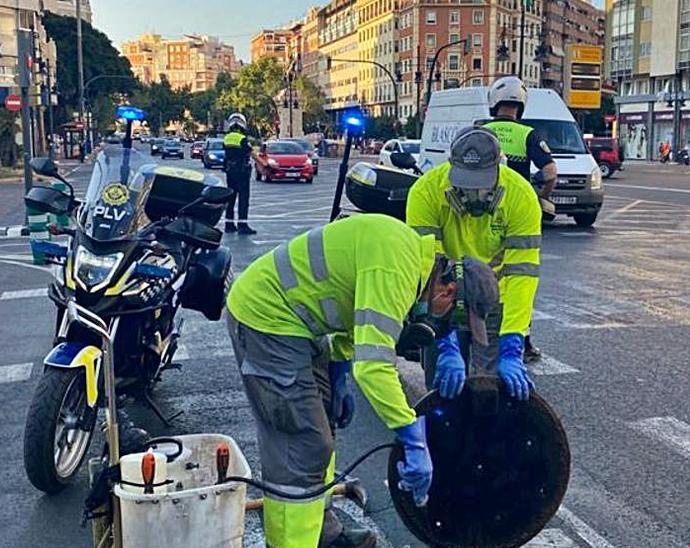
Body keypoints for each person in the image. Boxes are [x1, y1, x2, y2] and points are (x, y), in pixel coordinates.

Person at [226, 213, 500, 548]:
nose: (445, 322)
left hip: (299, 323)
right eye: (454, 315)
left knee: (323, 424)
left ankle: (323, 534)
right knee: (302, 444)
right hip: (267, 318)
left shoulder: (409, 260)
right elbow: (373, 367)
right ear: (448, 288)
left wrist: (339, 370)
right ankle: (288, 543)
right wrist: (411, 436)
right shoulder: (397, 269)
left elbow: (350, 311)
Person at [407, 126, 542, 402]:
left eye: (481, 185)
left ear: (498, 171)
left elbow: (522, 274)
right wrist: (443, 340)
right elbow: (426, 271)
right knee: (443, 389)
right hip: (445, 296)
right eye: (465, 185)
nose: (473, 195)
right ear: (450, 168)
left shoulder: (521, 196)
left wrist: (513, 342)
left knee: (490, 390)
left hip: (493, 299)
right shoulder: (425, 192)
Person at [480, 76, 554, 364]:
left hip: (479, 212)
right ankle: (522, 341)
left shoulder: (479, 130)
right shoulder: (528, 134)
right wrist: (541, 199)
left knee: (475, 272)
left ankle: (473, 332)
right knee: (518, 279)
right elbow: (550, 171)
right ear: (520, 105)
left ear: (494, 103)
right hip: (516, 214)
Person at [223, 113, 260, 235]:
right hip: (242, 172)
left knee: (231, 198)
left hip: (230, 172)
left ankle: (229, 224)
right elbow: (252, 154)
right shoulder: (242, 139)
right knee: (243, 199)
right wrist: (265, 164)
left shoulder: (227, 138)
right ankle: (242, 225)